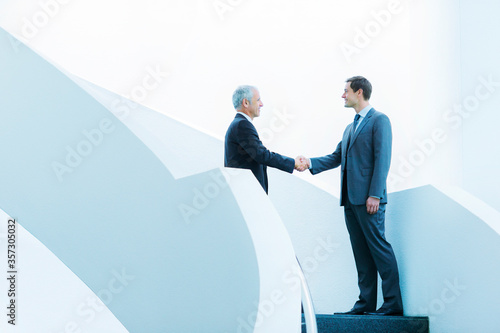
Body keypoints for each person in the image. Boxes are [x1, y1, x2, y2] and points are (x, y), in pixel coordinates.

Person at [297, 76, 403, 316]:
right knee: (361, 254)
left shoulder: (379, 120)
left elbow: (382, 159)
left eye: (345, 91)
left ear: (359, 91)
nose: (342, 95)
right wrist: (308, 162)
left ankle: (392, 304)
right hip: (349, 201)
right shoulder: (350, 128)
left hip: (369, 200)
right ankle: (365, 303)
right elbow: (336, 157)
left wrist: (375, 194)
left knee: (380, 249)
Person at [224, 85, 302, 194]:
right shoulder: (242, 125)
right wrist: (293, 163)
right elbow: (262, 155)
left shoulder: (239, 124)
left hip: (246, 191)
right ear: (246, 103)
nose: (262, 104)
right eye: (258, 100)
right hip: (247, 192)